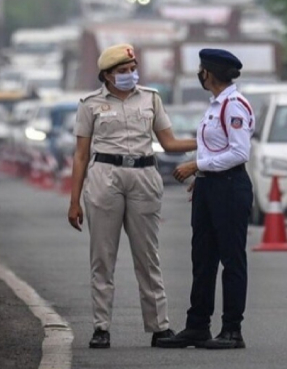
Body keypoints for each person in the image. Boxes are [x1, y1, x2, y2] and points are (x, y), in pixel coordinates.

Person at [67, 44, 197, 349]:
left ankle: (159, 326)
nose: (129, 75)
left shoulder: (151, 98)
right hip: (104, 176)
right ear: (107, 75)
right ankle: (101, 327)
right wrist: (74, 201)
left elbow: (168, 141)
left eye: (132, 69)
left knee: (148, 255)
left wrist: (207, 141)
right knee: (102, 256)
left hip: (143, 175)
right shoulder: (89, 105)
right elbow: (81, 155)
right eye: (122, 71)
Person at [157, 48, 253, 350]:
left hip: (231, 187)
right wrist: (202, 178)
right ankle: (197, 325)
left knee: (231, 259)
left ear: (208, 73)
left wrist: (196, 165)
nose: (200, 74)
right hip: (210, 187)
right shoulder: (215, 106)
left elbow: (239, 153)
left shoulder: (234, 106)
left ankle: (232, 330)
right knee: (202, 258)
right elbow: (215, 148)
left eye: (201, 69)